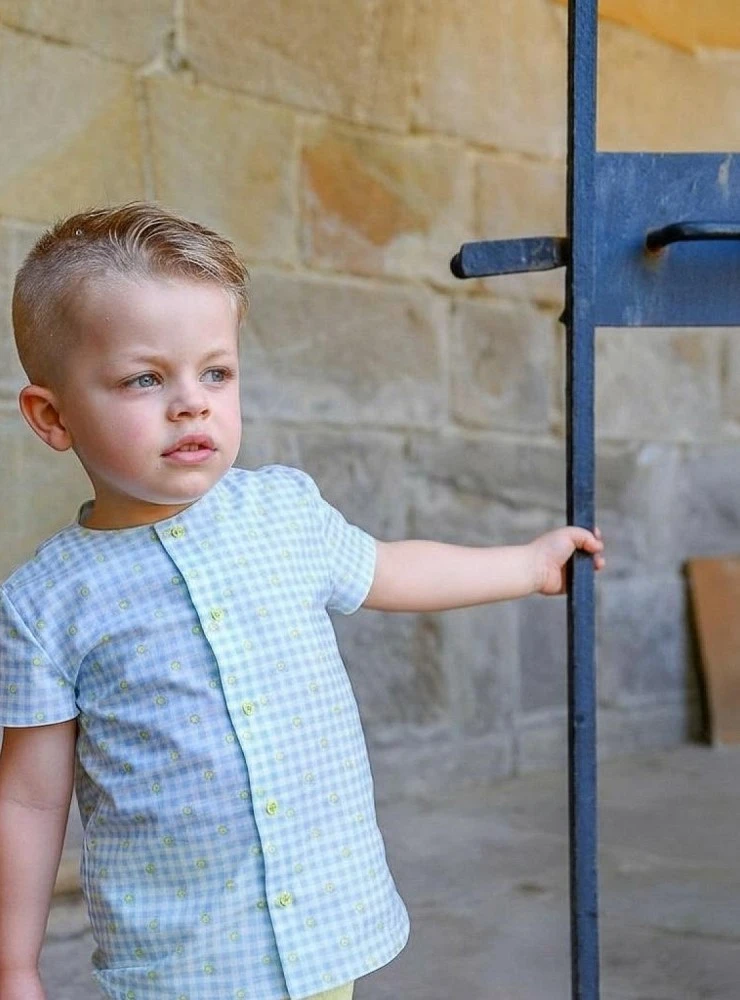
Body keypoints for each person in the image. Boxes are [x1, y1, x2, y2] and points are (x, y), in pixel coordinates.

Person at [0, 202, 605, 1000]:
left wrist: (525, 566)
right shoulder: (46, 601)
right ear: (52, 416)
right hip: (182, 956)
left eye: (215, 371)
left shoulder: (283, 513)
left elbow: (391, 569)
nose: (192, 403)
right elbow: (29, 798)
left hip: (320, 929)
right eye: (145, 378)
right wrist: (16, 964)